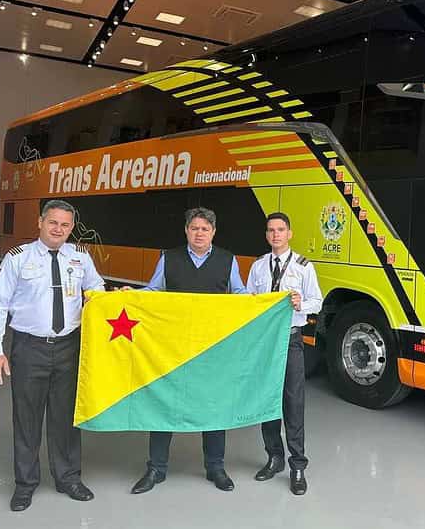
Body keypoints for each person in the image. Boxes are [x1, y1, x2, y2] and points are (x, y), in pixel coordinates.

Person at [0, 199, 105, 512]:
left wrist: (109, 301)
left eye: (65, 225)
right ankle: (25, 484)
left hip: (69, 347)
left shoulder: (80, 257)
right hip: (29, 348)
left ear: (71, 228)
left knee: (66, 417)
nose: (58, 229)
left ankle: (68, 478)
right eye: (53, 223)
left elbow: (96, 290)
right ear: (40, 222)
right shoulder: (18, 258)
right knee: (27, 418)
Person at [130, 207, 246, 495]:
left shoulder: (228, 260)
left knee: (214, 405)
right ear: (186, 231)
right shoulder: (168, 257)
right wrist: (129, 297)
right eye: (194, 228)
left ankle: (216, 467)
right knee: (164, 403)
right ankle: (156, 468)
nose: (199, 233)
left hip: (212, 347)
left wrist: (266, 302)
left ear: (213, 232)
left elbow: (240, 296)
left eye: (205, 229)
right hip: (173, 346)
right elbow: (154, 291)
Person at [246, 212, 323, 495]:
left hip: (290, 341)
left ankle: (297, 465)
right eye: (270, 230)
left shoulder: (303, 266)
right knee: (268, 401)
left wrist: (301, 303)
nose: (275, 234)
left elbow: (318, 301)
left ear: (289, 234)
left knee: (293, 401)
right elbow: (248, 299)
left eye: (280, 230)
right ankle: (274, 457)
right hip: (265, 343)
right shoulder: (258, 266)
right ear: (266, 235)